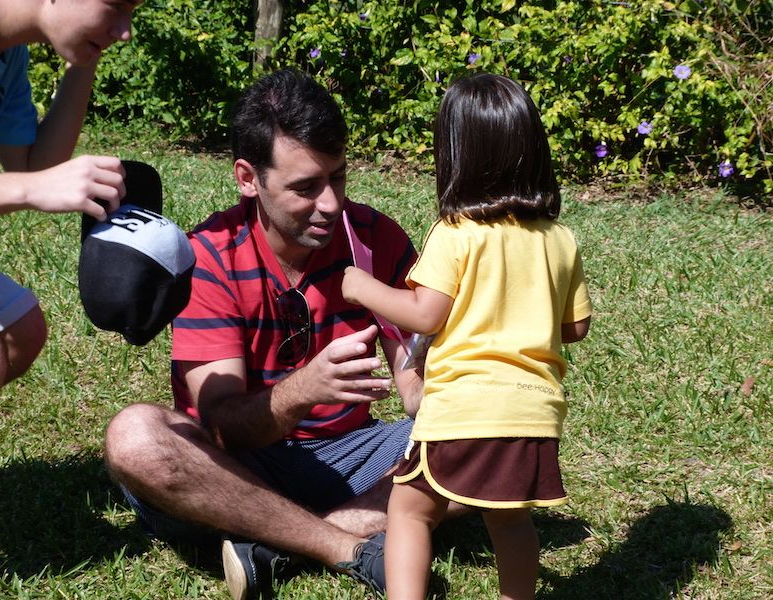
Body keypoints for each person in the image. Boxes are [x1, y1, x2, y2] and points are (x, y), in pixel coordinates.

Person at [103, 69, 425, 600]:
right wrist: (307, 388)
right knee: (135, 438)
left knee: (490, 428)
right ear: (248, 178)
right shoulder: (209, 257)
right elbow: (224, 428)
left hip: (354, 457)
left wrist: (432, 394)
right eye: (305, 187)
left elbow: (412, 380)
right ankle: (345, 545)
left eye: (338, 178)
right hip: (237, 469)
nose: (330, 203)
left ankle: (277, 545)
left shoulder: (375, 238)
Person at [341, 73, 593, 600]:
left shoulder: (456, 232)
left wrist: (364, 287)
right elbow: (576, 327)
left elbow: (424, 314)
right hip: (533, 412)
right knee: (510, 519)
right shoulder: (559, 238)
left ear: (454, 154)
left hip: (465, 408)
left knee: (410, 510)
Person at [0, 0, 142, 592]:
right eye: (115, 7)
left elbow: (34, 161)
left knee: (21, 329)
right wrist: (31, 188)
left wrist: (85, 58)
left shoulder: (5, 50)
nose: (125, 30)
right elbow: (32, 181)